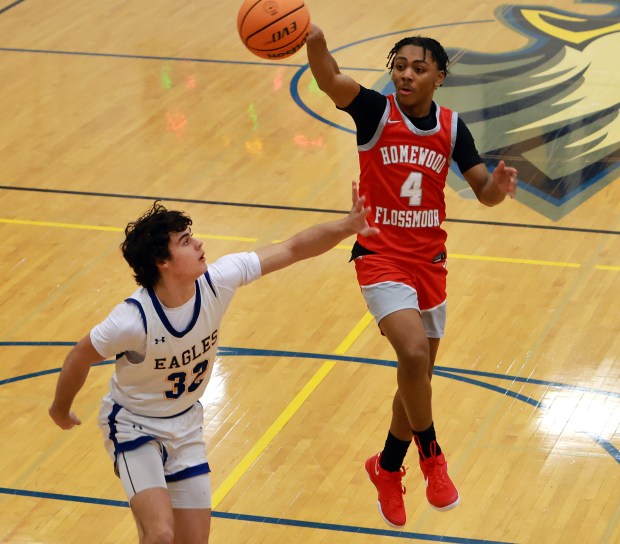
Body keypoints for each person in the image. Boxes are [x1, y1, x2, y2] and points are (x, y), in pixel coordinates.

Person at [48, 183, 378, 544]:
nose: (199, 244)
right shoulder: (133, 320)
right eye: (186, 241)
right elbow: (79, 354)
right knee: (159, 534)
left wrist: (348, 226)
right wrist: (60, 409)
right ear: (163, 262)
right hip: (134, 426)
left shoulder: (218, 281)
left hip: (186, 424)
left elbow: (292, 249)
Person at [305, 24, 518, 528]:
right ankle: (432, 458)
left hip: (430, 262)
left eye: (418, 68)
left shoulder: (451, 127)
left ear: (438, 78)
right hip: (379, 257)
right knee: (414, 354)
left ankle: (386, 467)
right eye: (399, 66)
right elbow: (330, 78)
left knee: (416, 379)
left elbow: (484, 192)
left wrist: (501, 188)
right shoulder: (375, 112)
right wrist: (313, 40)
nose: (405, 74)